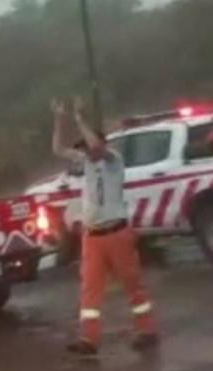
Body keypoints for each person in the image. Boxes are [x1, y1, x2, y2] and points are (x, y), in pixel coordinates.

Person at [51, 97, 159, 356]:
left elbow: (98, 147)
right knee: (90, 288)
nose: (85, 151)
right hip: (93, 236)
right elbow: (58, 149)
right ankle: (89, 339)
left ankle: (146, 330)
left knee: (132, 282)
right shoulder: (86, 162)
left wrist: (80, 120)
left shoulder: (113, 160)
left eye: (87, 145)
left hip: (117, 231)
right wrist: (59, 118)